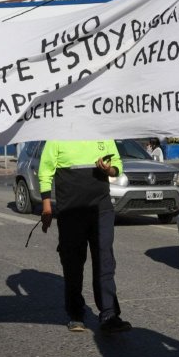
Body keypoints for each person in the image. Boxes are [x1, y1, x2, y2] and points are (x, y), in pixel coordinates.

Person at [38, 140, 132, 333]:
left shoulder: (102, 131)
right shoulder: (57, 135)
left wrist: (110, 170)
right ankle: (75, 313)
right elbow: (45, 170)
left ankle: (109, 314)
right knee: (73, 261)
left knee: (104, 259)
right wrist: (46, 206)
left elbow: (117, 165)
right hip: (70, 210)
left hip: (101, 208)